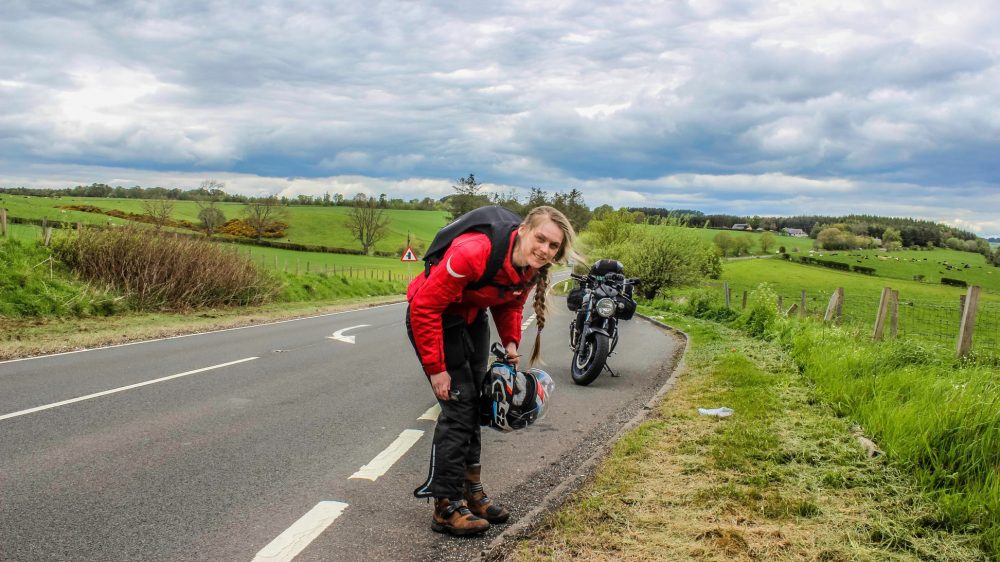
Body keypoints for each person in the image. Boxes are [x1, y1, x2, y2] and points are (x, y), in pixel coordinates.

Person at [405, 205, 577, 536]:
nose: (544, 249)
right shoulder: (473, 252)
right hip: (435, 319)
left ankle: (471, 493)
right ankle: (446, 505)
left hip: (472, 317)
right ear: (525, 230)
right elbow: (425, 307)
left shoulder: (529, 267)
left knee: (479, 405)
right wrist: (436, 368)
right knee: (459, 408)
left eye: (553, 246)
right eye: (541, 238)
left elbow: (509, 303)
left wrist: (511, 343)